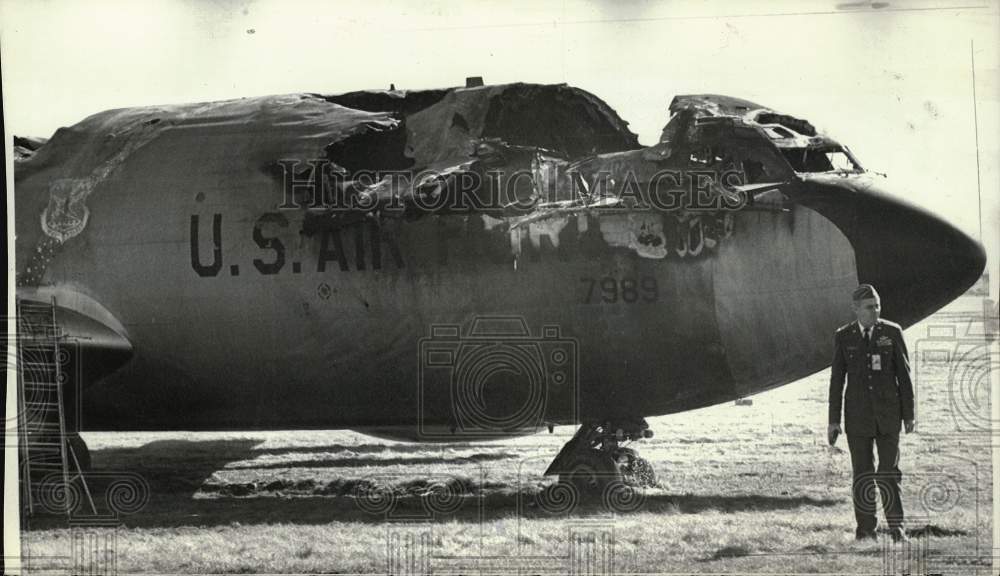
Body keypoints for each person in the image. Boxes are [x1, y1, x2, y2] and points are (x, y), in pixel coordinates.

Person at [828, 284, 915, 543]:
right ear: (856, 309)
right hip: (857, 419)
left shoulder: (892, 332)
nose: (875, 310)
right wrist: (833, 421)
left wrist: (908, 415)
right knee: (863, 475)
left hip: (889, 417)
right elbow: (836, 381)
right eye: (869, 307)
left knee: (889, 472)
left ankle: (897, 530)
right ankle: (866, 531)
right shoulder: (844, 336)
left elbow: (904, 377)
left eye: (877, 305)